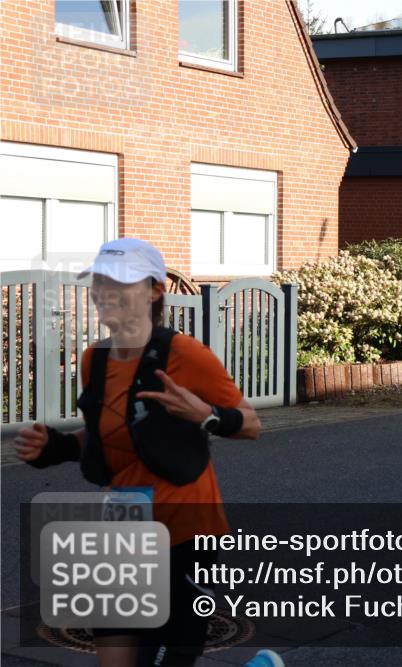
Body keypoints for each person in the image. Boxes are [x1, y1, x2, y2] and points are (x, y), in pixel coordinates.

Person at [13, 238, 265, 667]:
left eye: (121, 283)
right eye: (100, 281)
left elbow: (252, 424)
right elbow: (107, 436)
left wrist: (206, 415)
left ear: (154, 291)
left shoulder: (185, 354)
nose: (105, 293)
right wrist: (54, 447)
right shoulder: (94, 360)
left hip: (185, 532)